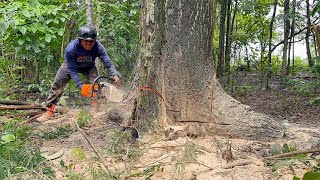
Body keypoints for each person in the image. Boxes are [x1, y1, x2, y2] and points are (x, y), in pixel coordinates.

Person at [37, 25, 120, 121]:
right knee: (58, 82)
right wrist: (81, 86)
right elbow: (72, 70)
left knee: (96, 84)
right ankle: (49, 110)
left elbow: (107, 62)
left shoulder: (98, 47)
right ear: (80, 40)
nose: (89, 43)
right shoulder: (71, 48)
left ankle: (96, 110)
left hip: (89, 66)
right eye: (86, 41)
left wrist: (114, 74)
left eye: (91, 41)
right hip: (71, 65)